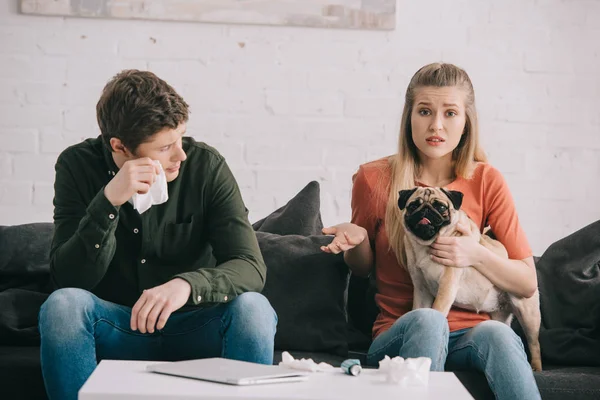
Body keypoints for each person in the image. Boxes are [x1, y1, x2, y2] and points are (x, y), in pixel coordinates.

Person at [38, 70, 277, 400]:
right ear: (119, 146)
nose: (181, 155)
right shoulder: (77, 166)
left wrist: (188, 285)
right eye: (165, 147)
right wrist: (108, 202)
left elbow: (250, 266)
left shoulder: (206, 167)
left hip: (194, 325)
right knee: (63, 306)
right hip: (116, 328)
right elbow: (69, 278)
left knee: (255, 309)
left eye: (180, 139)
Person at [321, 63, 541, 399]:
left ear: (466, 121)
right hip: (401, 331)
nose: (436, 125)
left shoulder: (487, 180)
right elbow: (362, 269)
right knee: (428, 320)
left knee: (498, 335)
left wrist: (476, 252)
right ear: (409, 116)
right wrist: (358, 240)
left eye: (450, 113)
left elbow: (526, 283)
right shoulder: (373, 178)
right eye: (424, 111)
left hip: (472, 335)